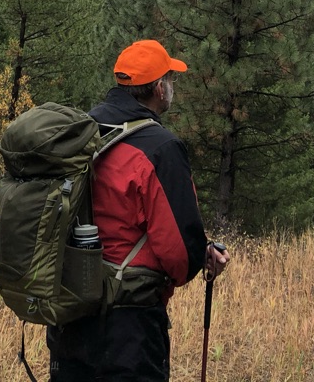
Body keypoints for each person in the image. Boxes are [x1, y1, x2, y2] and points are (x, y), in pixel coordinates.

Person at [47, 39, 230, 382]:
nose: (172, 87)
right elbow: (179, 258)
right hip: (127, 330)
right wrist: (200, 256)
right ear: (159, 89)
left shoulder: (81, 134)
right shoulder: (161, 148)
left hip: (68, 318)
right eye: (171, 80)